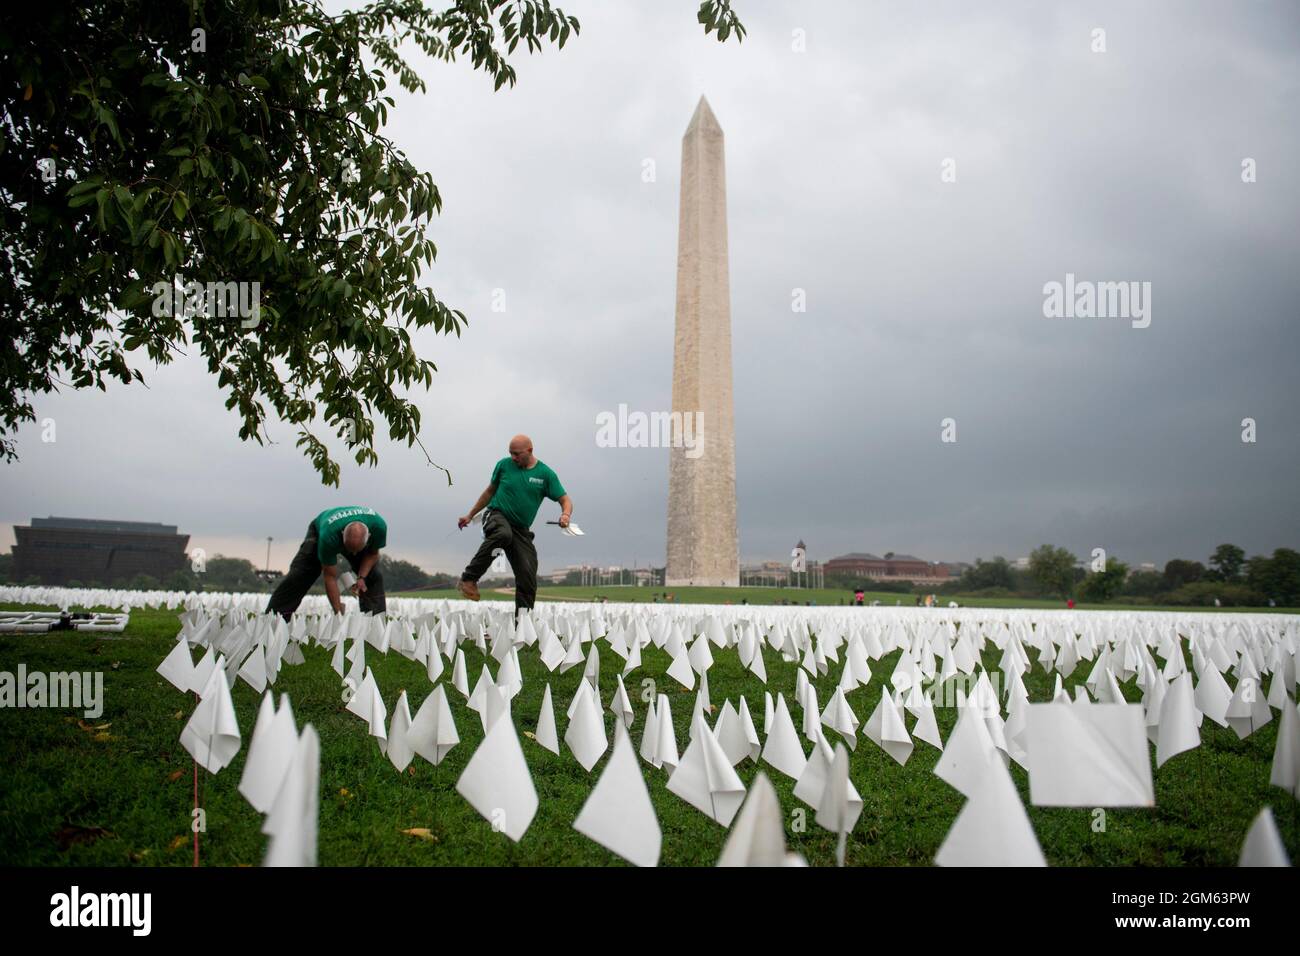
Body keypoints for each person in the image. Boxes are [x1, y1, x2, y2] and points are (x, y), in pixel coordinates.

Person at [457, 434, 572, 618]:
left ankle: (523, 628)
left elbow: (565, 499)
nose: (513, 458)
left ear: (530, 451)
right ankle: (469, 579)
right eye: (511, 453)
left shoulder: (545, 474)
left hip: (521, 530)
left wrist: (565, 515)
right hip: (496, 515)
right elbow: (489, 492)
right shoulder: (503, 465)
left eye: (517, 454)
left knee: (527, 574)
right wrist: (470, 515)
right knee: (503, 534)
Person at [267, 506, 387, 619]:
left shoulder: (379, 527)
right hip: (321, 528)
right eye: (349, 550)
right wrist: (338, 612)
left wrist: (361, 577)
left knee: (373, 576)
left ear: (369, 536)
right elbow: (330, 577)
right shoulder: (328, 536)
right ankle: (276, 616)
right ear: (341, 535)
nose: (354, 555)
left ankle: (375, 622)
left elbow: (373, 554)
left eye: (357, 551)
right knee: (302, 573)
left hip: (351, 536)